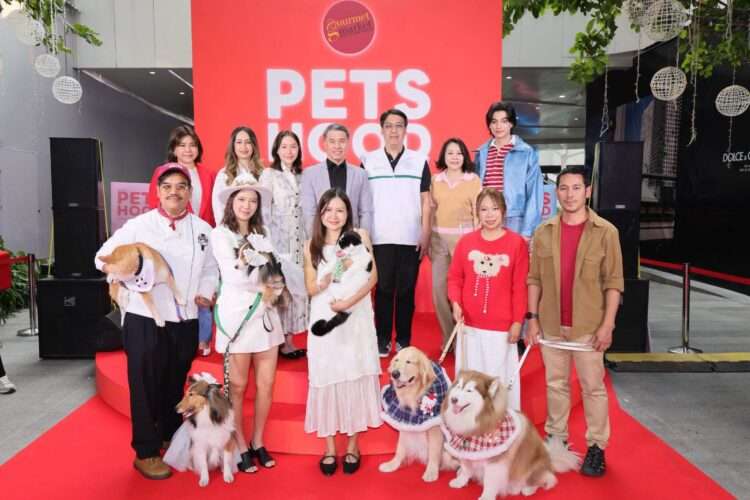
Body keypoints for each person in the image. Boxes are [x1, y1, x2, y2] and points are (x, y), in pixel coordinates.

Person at [96, 163, 218, 480]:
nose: (174, 192)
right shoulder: (139, 225)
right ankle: (146, 452)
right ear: (158, 192)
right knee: (144, 384)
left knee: (173, 381)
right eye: (167, 187)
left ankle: (168, 435)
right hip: (144, 317)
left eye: (181, 186)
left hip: (186, 318)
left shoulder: (203, 230)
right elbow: (102, 257)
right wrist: (128, 274)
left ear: (189, 192)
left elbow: (211, 269)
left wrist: (206, 292)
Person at [526, 166, 624, 478]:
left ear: (588, 191)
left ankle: (596, 446)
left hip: (589, 328)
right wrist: (532, 318)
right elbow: (534, 279)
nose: (570, 195)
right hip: (552, 325)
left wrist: (607, 325)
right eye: (564, 188)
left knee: (593, 388)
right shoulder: (543, 231)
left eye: (576, 188)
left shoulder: (606, 232)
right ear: (556, 192)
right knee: (555, 385)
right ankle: (557, 439)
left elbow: (614, 283)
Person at [303, 188, 381, 476]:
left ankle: (353, 445)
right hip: (324, 315)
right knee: (326, 374)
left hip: (355, 315)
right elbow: (310, 288)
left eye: (340, 210)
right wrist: (324, 281)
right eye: (328, 210)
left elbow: (373, 276)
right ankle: (329, 448)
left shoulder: (359, 237)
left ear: (348, 213)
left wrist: (348, 302)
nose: (334, 216)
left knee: (354, 371)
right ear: (320, 213)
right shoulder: (310, 244)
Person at [211, 176, 284, 473]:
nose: (247, 205)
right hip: (237, 317)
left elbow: (276, 270)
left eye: (253, 200)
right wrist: (266, 281)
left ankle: (257, 441)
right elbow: (234, 276)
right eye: (241, 199)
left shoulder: (263, 233)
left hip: (266, 316)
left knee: (266, 384)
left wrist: (273, 281)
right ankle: (239, 443)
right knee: (238, 386)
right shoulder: (220, 234)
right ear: (231, 202)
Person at [447, 188, 528, 411]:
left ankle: (501, 422)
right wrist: (455, 303)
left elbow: (520, 287)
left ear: (503, 211)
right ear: (477, 213)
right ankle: (468, 421)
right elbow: (454, 278)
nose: (489, 214)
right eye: (484, 209)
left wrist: (517, 322)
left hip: (501, 329)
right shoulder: (466, 242)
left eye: (495, 208)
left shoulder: (516, 244)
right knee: (469, 382)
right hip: (469, 326)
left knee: (498, 382)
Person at [360, 108, 431, 357]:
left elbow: (426, 200)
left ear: (405, 130)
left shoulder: (419, 160)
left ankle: (403, 339)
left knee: (406, 291)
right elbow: (362, 200)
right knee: (382, 290)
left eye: (399, 125)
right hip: (378, 237)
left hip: (410, 236)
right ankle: (382, 340)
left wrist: (425, 232)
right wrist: (364, 234)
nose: (393, 130)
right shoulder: (368, 160)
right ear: (381, 130)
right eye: (389, 126)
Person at [146, 125, 216, 356]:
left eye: (192, 145)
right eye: (182, 145)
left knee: (203, 285)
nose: (188, 150)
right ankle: (169, 333)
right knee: (173, 286)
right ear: (174, 149)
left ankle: (202, 339)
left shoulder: (207, 174)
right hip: (171, 237)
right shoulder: (162, 172)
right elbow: (153, 204)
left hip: (201, 238)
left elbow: (212, 208)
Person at [429, 138, 482, 349]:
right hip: (439, 243)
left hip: (465, 244)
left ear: (465, 157)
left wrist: (478, 243)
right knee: (438, 290)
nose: (454, 157)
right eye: (450, 153)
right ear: (443, 156)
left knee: (464, 294)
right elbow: (429, 211)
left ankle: (466, 339)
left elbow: (479, 212)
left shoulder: (473, 180)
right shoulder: (435, 180)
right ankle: (449, 337)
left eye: (459, 153)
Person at [259, 131, 307, 359]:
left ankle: (288, 341)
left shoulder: (303, 176)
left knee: (297, 293)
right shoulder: (269, 175)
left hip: (300, 243)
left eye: (293, 146)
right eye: (284, 146)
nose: (289, 151)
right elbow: (263, 211)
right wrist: (268, 246)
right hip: (278, 243)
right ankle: (274, 342)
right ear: (277, 150)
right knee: (279, 292)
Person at [475, 101, 543, 241]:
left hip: (515, 221)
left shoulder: (526, 152)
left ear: (511, 124)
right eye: (494, 122)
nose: (498, 126)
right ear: (489, 125)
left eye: (504, 121)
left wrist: (527, 231)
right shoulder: (481, 152)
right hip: (487, 219)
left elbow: (534, 194)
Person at [300, 123, 373, 237]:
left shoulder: (361, 174)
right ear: (325, 144)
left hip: (352, 239)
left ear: (347, 143)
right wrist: (316, 239)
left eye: (342, 141)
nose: (337, 146)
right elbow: (309, 213)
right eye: (332, 141)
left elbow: (366, 211)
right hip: (322, 238)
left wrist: (362, 238)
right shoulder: (310, 174)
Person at [211, 126, 265, 221]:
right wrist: (225, 228)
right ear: (233, 146)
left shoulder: (263, 173)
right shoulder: (224, 174)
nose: (243, 147)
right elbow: (218, 207)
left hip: (257, 226)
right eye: (239, 142)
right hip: (231, 226)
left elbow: (266, 207)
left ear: (254, 146)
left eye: (248, 142)